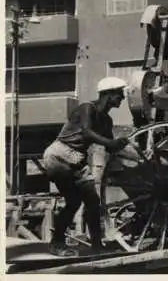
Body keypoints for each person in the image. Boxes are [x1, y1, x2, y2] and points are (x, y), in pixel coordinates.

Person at [43, 77, 130, 256]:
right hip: (58, 155)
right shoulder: (87, 108)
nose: (122, 97)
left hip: (77, 160)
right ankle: (57, 243)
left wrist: (138, 159)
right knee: (74, 201)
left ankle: (97, 247)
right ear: (108, 94)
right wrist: (112, 143)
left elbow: (110, 147)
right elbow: (87, 131)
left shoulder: (106, 120)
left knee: (93, 203)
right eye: (119, 93)